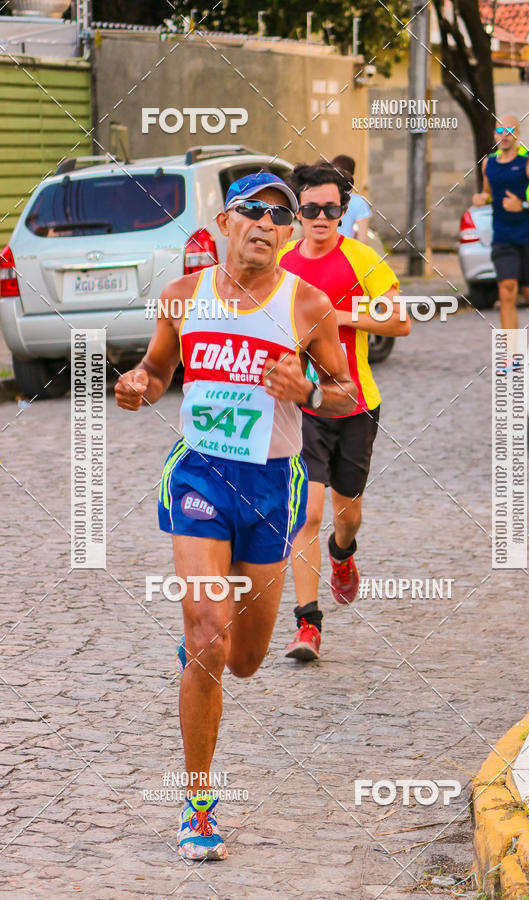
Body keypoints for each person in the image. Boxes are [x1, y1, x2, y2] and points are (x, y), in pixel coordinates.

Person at [115, 172, 356, 861]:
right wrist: (139, 386)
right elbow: (158, 372)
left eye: (280, 215)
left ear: (287, 233)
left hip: (270, 487)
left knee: (246, 660)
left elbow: (345, 395)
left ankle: (209, 653)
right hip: (199, 477)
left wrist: (308, 386)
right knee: (207, 635)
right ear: (225, 221)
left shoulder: (307, 304)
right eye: (252, 209)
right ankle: (197, 806)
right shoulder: (182, 297)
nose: (266, 222)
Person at [279, 162, 410, 662]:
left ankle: (343, 553)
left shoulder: (363, 258)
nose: (319, 218)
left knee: (346, 515)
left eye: (330, 209)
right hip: (302, 408)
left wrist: (337, 315)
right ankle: (307, 626)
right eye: (310, 209)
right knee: (306, 514)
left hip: (356, 404)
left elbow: (399, 322)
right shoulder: (284, 264)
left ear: (343, 209)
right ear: (299, 211)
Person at [472, 115, 529, 329]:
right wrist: (483, 198)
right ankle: (511, 353)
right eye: (500, 131)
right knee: (507, 290)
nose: (504, 136)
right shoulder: (488, 164)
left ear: (517, 135)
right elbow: (489, 192)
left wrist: (524, 205)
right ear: (495, 134)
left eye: (509, 131)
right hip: (503, 237)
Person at [331, 154, 371, 243]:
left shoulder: (320, 198)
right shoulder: (359, 202)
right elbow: (363, 239)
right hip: (346, 252)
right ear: (352, 175)